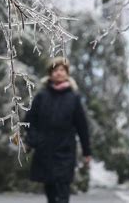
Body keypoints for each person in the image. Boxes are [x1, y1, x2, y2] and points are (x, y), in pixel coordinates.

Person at [24, 57, 91, 203]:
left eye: (62, 70)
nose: (59, 73)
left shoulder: (73, 97)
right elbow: (29, 120)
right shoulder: (42, 96)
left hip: (65, 149)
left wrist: (87, 152)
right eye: (55, 70)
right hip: (45, 148)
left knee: (63, 187)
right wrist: (34, 140)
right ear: (50, 73)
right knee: (50, 187)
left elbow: (82, 126)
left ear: (67, 73)